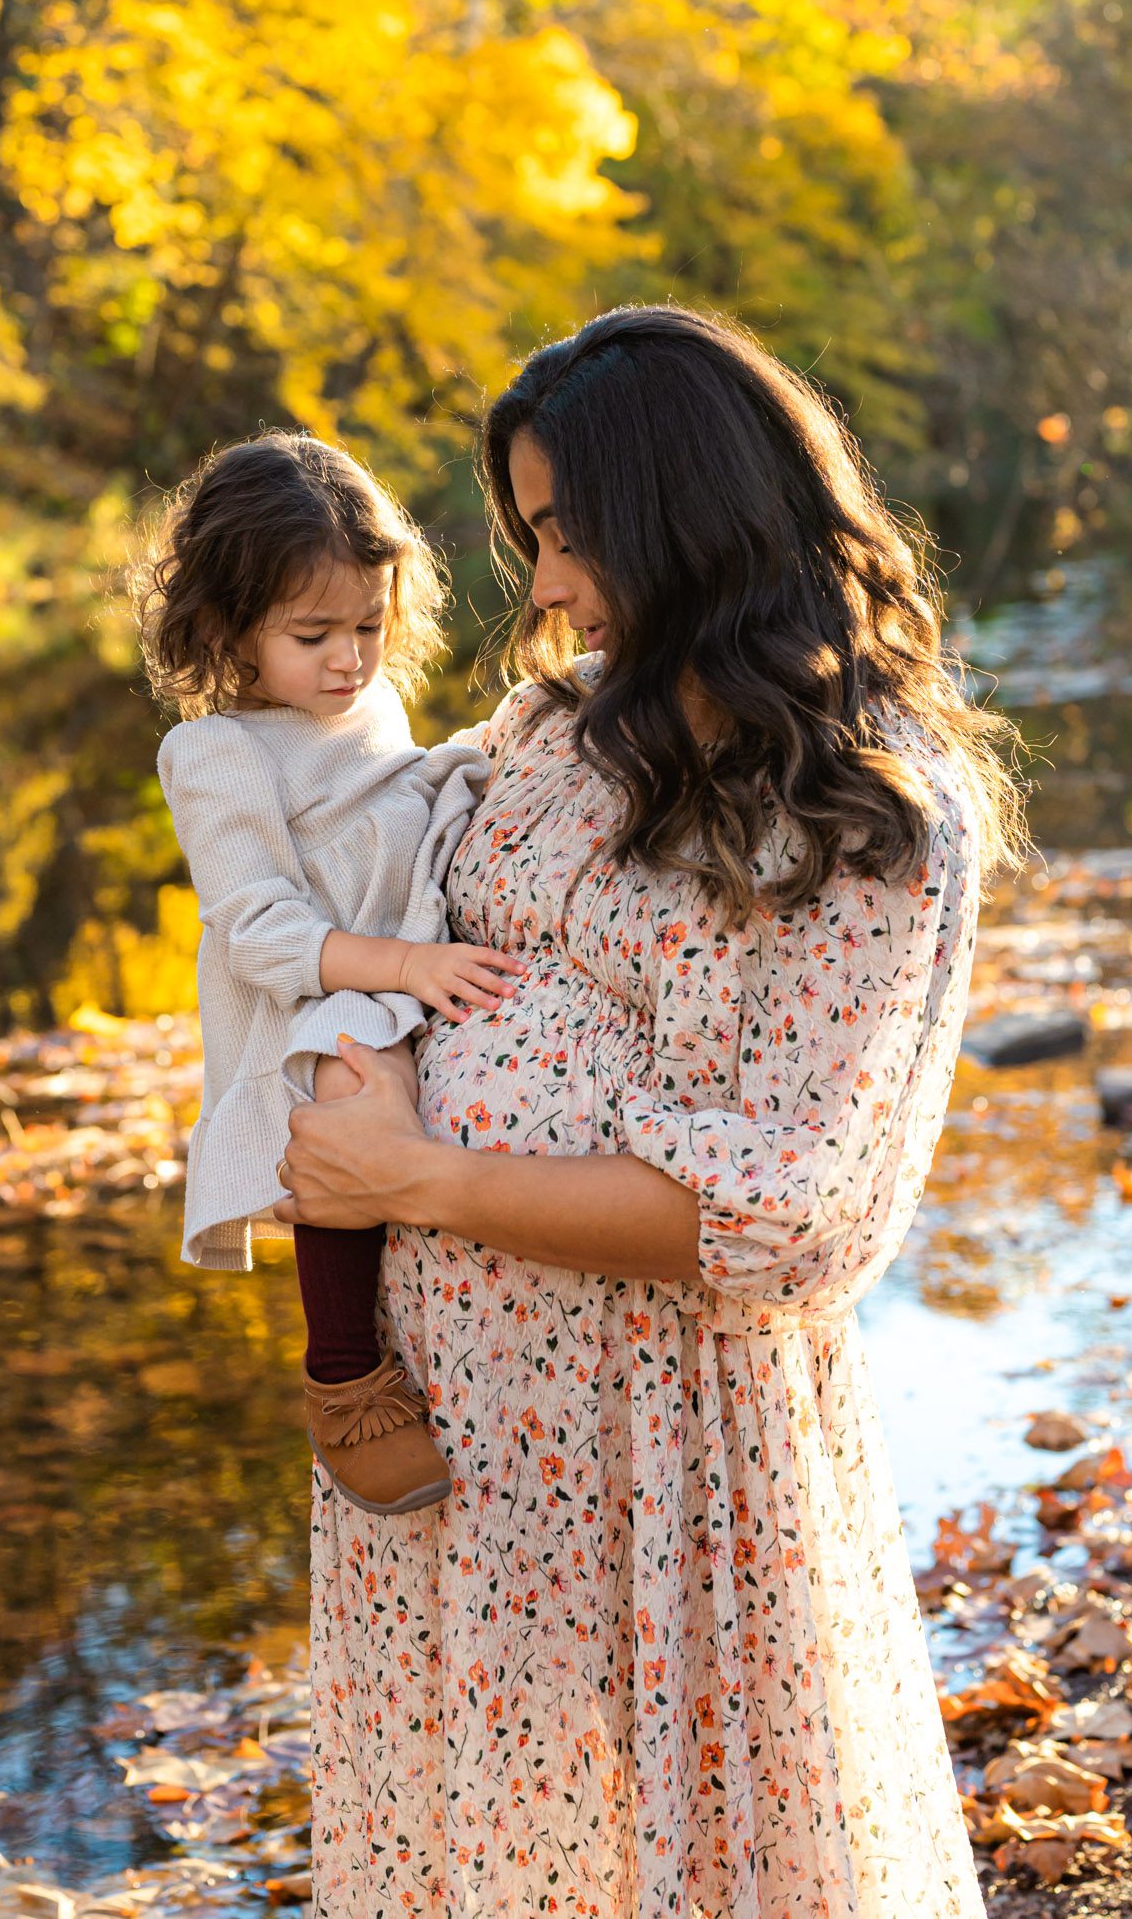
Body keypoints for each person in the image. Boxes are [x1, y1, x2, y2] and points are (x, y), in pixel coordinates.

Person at [274, 305, 1024, 1918]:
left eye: (562, 533)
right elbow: (363, 894)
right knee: (488, 1856)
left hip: (680, 1453)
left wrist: (425, 1175)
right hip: (454, 1446)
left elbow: (787, 1211)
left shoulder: (872, 806)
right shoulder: (542, 736)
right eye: (529, 536)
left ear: (678, 510)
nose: (537, 585)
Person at [137, 432, 524, 1514]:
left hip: (397, 963)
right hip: (311, 1000)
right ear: (226, 629)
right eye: (313, 634)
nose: (350, 658)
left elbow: (391, 807)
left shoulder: (367, 707)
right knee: (351, 1102)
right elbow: (261, 932)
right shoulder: (219, 754)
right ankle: (345, 1368)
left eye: (367, 624)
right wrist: (406, 964)